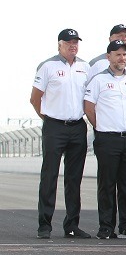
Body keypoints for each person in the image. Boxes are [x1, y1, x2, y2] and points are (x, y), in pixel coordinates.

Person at [32, 29, 92, 239]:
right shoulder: (48, 66)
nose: (73, 45)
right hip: (54, 127)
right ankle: (44, 225)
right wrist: (48, 119)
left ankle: (72, 225)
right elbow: (35, 98)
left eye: (76, 42)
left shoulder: (86, 67)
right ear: (59, 44)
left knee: (74, 179)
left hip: (77, 126)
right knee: (49, 176)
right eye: (69, 42)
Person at [84, 40, 126, 239]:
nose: (122, 58)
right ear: (108, 57)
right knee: (107, 184)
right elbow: (89, 108)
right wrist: (101, 128)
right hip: (108, 139)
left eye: (124, 55)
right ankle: (106, 227)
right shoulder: (98, 80)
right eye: (117, 54)